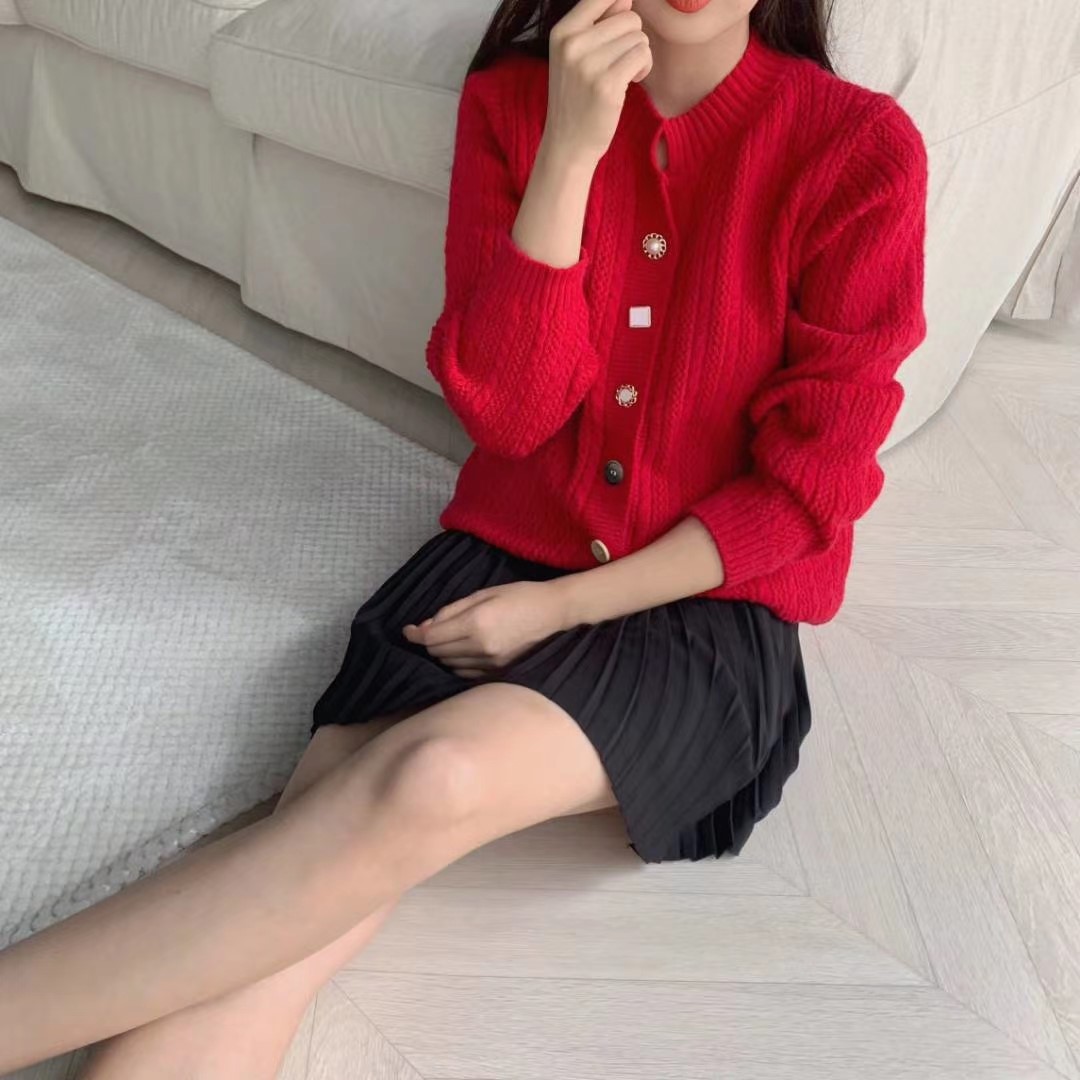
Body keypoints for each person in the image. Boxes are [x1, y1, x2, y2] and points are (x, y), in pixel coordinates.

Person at [0, 0, 927, 1074]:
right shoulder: (515, 102)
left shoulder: (858, 150)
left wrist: (562, 606)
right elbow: (510, 415)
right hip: (497, 556)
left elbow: (808, 493)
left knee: (424, 780)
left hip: (702, 611)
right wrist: (571, 150)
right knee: (302, 878)